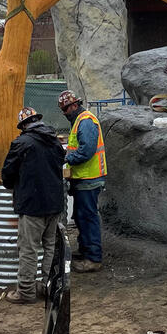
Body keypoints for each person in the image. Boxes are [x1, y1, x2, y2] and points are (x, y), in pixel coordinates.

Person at [0, 106, 65, 304]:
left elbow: (8, 174)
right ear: (38, 120)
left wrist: (13, 185)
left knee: (28, 249)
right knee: (50, 246)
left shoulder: (21, 143)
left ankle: (26, 292)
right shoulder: (55, 141)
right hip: (54, 203)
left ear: (24, 126)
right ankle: (47, 286)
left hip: (32, 206)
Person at [58, 90, 105, 272]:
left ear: (74, 105)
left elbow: (86, 151)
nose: (64, 114)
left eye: (65, 110)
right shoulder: (79, 121)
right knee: (80, 216)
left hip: (89, 178)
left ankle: (93, 258)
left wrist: (66, 158)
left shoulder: (85, 121)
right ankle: (85, 250)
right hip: (82, 178)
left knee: (87, 217)